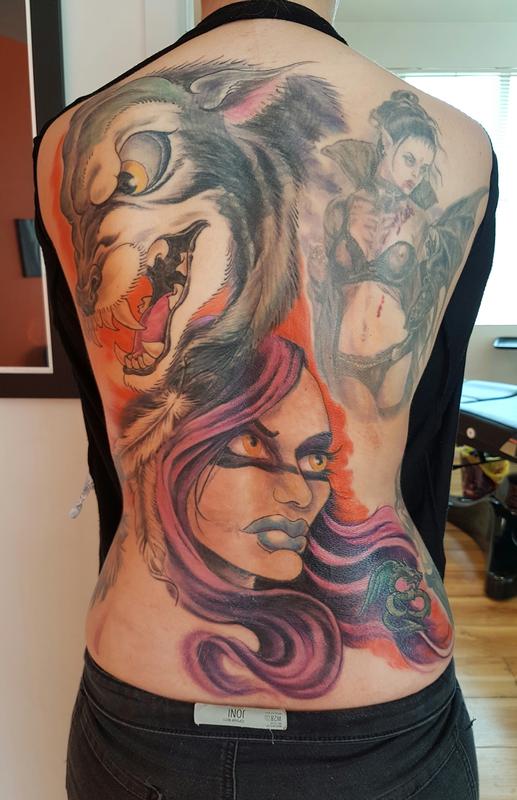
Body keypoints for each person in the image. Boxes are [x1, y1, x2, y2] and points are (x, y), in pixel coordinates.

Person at [33, 1, 497, 797]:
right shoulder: (463, 143)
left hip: (146, 687)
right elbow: (426, 426)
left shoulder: (70, 138)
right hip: (379, 695)